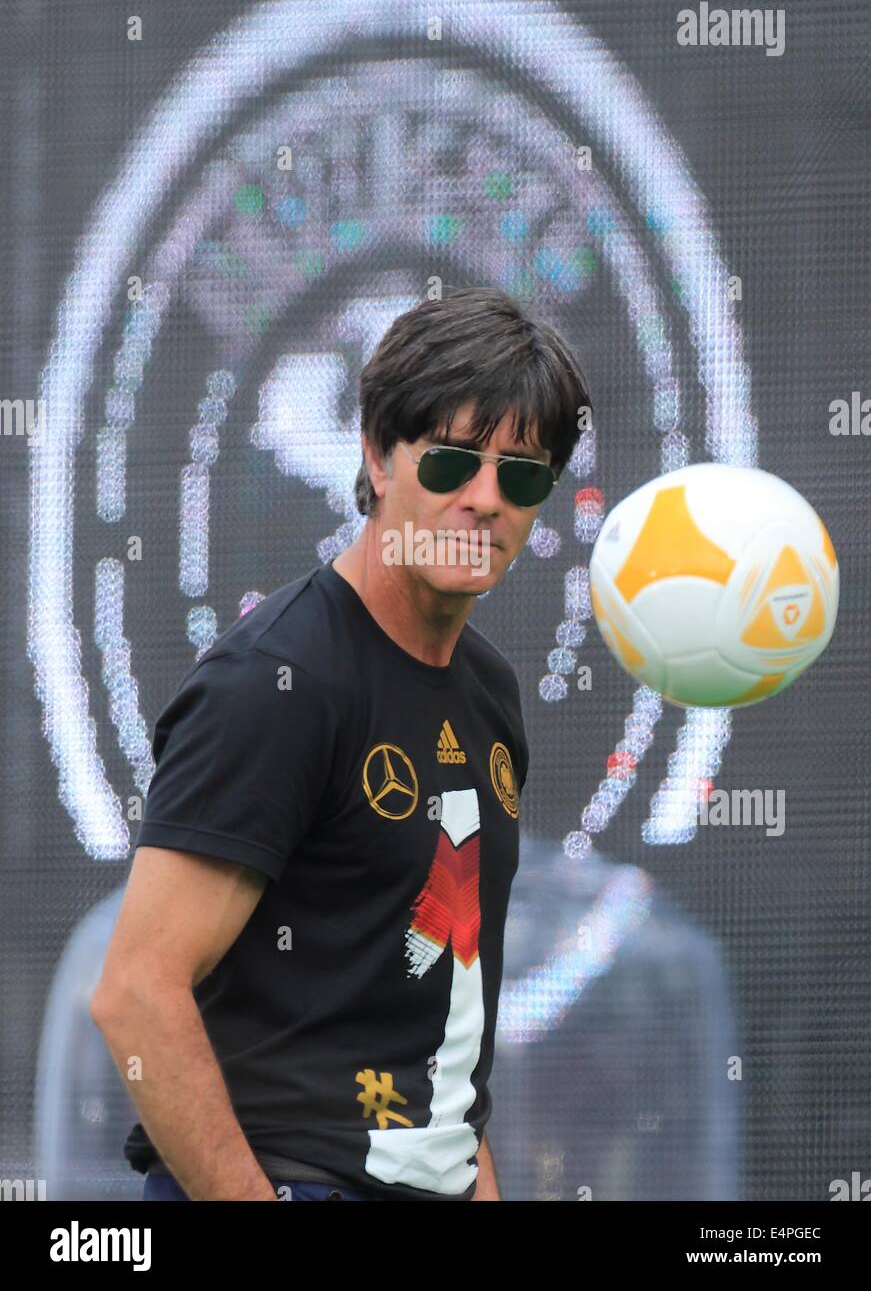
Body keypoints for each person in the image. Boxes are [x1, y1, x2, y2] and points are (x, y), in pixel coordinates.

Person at [90, 286, 593, 1202]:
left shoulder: (489, 693)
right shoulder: (274, 681)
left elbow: (444, 999)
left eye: (520, 474)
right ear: (375, 454)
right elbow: (134, 993)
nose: (484, 499)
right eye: (450, 460)